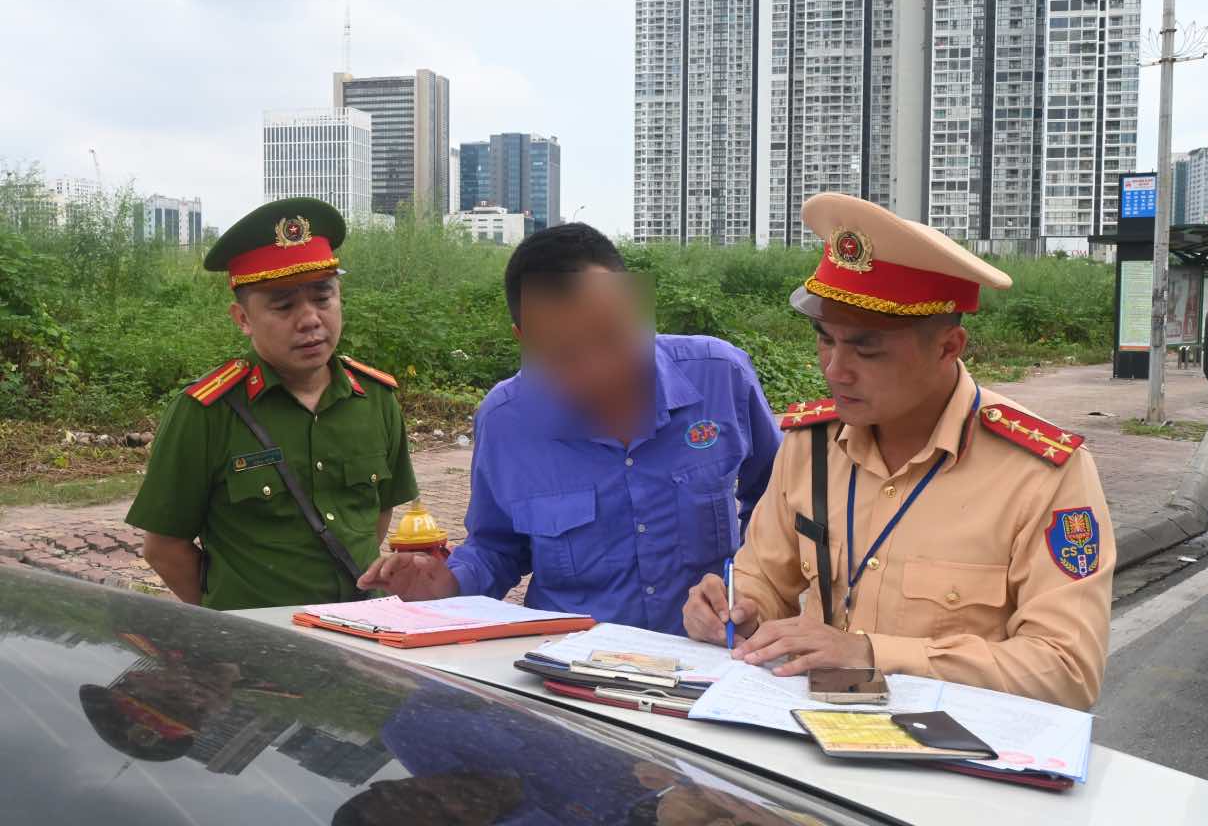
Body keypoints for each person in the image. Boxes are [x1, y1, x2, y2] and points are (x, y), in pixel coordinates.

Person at [682, 193, 1115, 709]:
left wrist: (871, 652)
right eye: (825, 340)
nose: (834, 369)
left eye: (866, 350)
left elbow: (1066, 671)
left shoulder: (1041, 474)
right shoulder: (810, 445)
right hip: (815, 744)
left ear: (948, 347)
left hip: (955, 761)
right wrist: (737, 608)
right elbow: (763, 577)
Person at [360, 223, 781, 635]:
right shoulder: (507, 420)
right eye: (565, 353)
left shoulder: (718, 376)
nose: (597, 371)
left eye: (610, 337)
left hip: (708, 664)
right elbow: (497, 547)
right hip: (570, 673)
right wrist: (448, 584)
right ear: (524, 339)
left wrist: (750, 587)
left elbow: (781, 504)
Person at [126, 198, 418, 610]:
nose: (310, 319)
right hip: (259, 657)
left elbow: (377, 516)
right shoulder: (207, 412)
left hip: (364, 631)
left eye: (323, 297)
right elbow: (164, 549)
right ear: (242, 319)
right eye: (283, 305)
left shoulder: (375, 398)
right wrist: (234, 625)